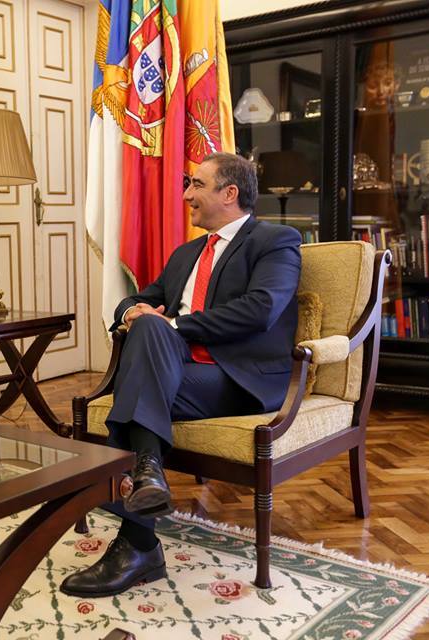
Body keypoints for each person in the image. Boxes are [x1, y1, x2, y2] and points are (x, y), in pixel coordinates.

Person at [60, 152, 302, 598]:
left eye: (197, 185)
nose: (187, 195)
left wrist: (173, 324)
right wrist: (131, 311)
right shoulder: (186, 254)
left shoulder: (275, 240)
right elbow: (140, 298)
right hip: (175, 372)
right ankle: (147, 485)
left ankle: (138, 535)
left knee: (144, 366)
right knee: (148, 331)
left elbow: (261, 309)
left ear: (230, 193)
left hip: (237, 379)